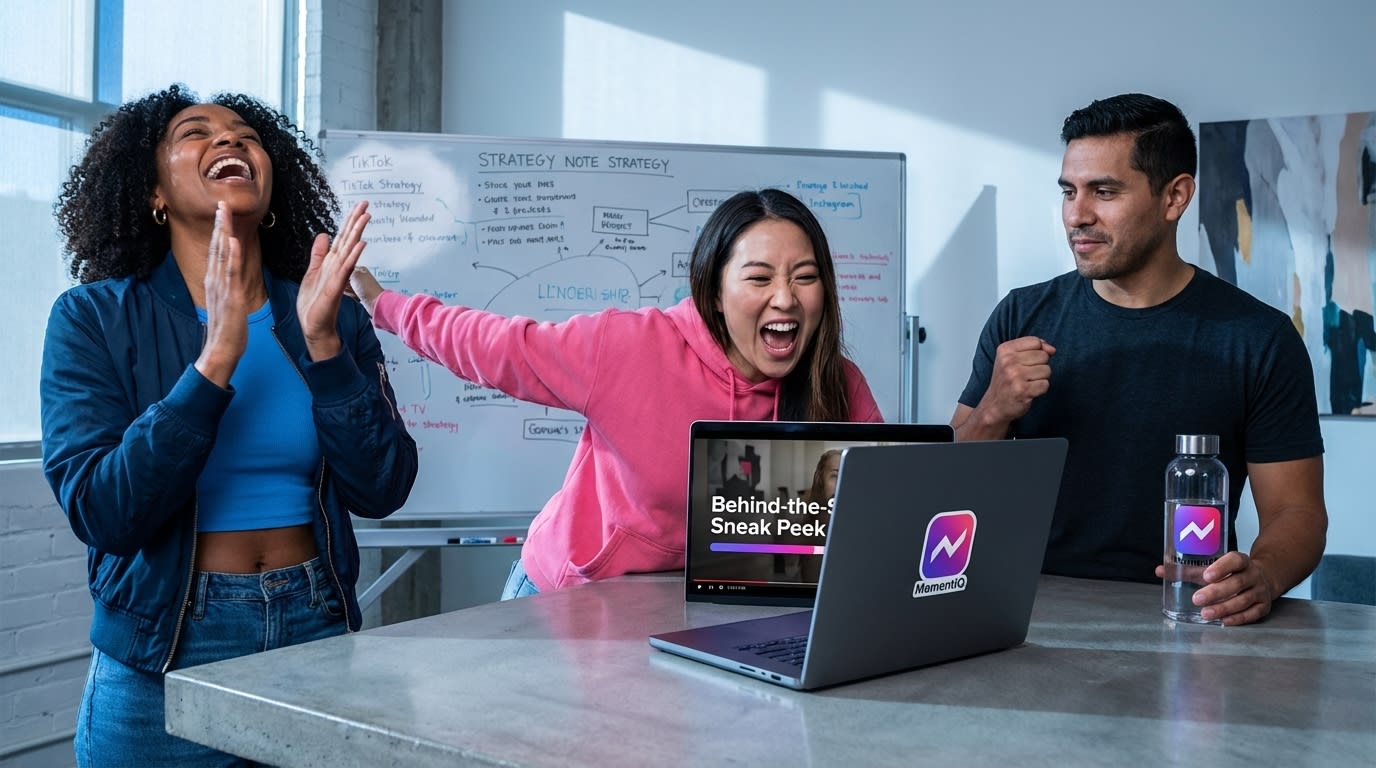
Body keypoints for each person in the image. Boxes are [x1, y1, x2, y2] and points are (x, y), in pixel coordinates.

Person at [41, 84, 418, 766]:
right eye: (195, 132)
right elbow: (105, 511)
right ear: (153, 192)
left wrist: (328, 352)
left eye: (246, 132)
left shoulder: (325, 312)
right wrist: (215, 361)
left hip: (316, 630)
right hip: (168, 647)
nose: (230, 139)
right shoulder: (91, 318)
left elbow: (384, 487)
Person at [349, 188, 883, 598]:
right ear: (715, 293)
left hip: (699, 607)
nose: (785, 298)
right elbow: (498, 348)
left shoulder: (835, 386)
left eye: (805, 277)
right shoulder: (630, 347)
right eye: (759, 278)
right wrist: (385, 306)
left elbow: (883, 511)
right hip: (567, 598)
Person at [950, 93, 1326, 627]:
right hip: (1027, 614)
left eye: (1104, 192)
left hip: (1189, 616)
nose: (1077, 215)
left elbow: (1298, 513)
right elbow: (943, 490)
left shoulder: (1258, 339)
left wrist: (1261, 575)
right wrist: (992, 411)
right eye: (1068, 191)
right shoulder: (1020, 315)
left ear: (1175, 197)